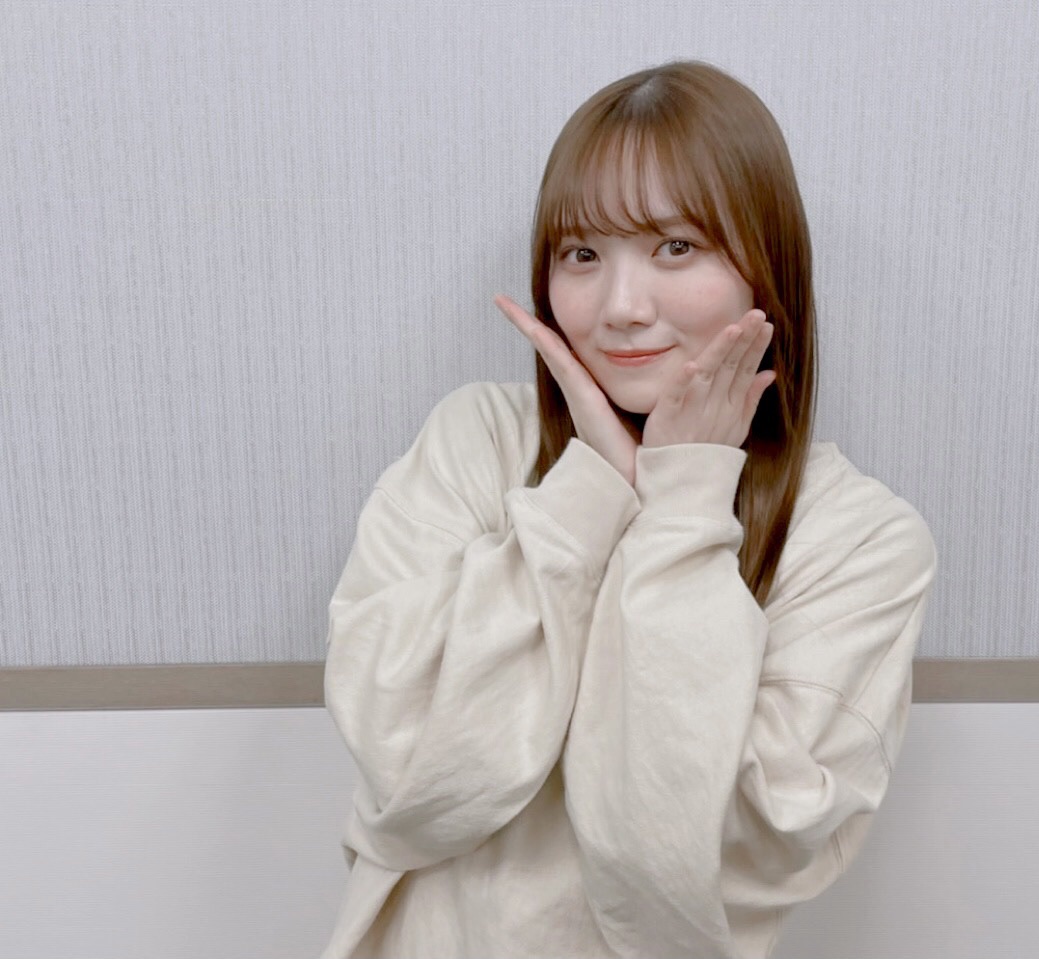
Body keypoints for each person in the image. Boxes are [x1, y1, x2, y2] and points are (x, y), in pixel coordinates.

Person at [320, 60, 937, 959]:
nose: (619, 308)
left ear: (764, 264)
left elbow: (692, 870)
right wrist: (590, 488)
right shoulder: (475, 441)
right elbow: (409, 772)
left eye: (675, 246)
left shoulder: (858, 540)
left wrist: (682, 501)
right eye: (581, 254)